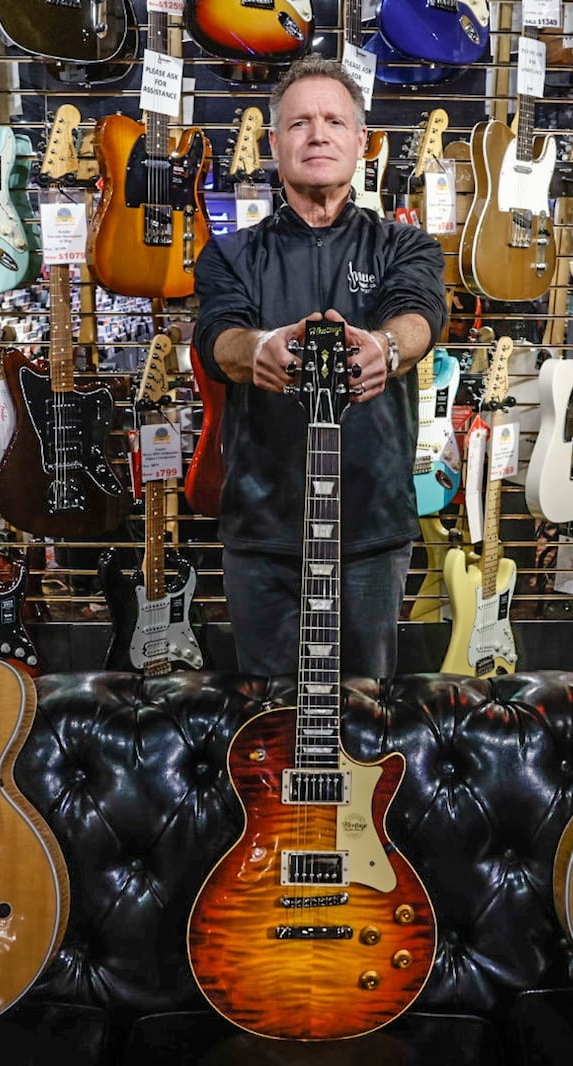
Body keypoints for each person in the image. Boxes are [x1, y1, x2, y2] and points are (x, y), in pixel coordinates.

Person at [193, 57, 447, 678]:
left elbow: (419, 315)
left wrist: (385, 348)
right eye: (299, 122)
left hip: (369, 525)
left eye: (334, 121)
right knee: (267, 720)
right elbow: (216, 336)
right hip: (263, 528)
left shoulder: (404, 245)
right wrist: (257, 351)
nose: (317, 134)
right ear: (274, 142)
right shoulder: (230, 253)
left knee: (364, 712)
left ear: (361, 141)